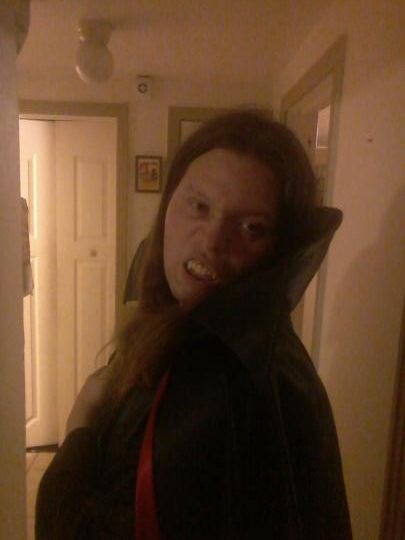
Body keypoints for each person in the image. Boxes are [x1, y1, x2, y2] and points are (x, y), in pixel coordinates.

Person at [36, 109, 352, 539]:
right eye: (199, 206)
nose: (212, 240)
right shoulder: (186, 327)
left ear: (280, 249)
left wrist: (80, 426)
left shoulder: (225, 383)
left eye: (251, 227)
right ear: (169, 203)